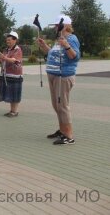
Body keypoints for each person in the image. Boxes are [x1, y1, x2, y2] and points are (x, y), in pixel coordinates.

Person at [36, 15, 80, 145]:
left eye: (57, 25)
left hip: (63, 76)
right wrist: (44, 46)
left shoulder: (71, 39)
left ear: (65, 26)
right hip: (53, 75)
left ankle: (69, 136)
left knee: (62, 106)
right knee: (57, 105)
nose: (55, 27)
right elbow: (52, 54)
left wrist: (66, 45)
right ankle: (62, 130)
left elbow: (75, 57)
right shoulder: (59, 39)